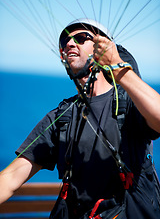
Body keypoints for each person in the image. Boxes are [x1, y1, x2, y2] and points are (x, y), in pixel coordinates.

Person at [0, 18, 160, 219]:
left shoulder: (128, 104)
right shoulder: (62, 117)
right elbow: (12, 177)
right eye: (65, 41)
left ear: (102, 47)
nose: (69, 43)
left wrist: (118, 67)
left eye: (81, 37)